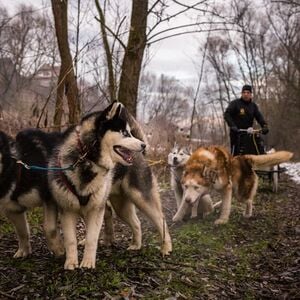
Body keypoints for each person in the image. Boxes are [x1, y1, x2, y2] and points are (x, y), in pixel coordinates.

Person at [224, 84, 269, 155]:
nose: (246, 94)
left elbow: (259, 117)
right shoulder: (235, 104)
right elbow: (227, 114)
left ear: (251, 94)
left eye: (248, 93)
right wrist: (232, 126)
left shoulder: (253, 106)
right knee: (235, 154)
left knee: (255, 150)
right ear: (241, 94)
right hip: (236, 134)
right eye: (244, 92)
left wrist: (264, 126)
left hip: (248, 133)